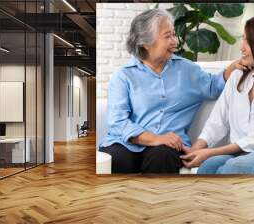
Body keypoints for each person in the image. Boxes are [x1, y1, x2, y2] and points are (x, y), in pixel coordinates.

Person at [99, 9, 242, 174]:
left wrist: (232, 68)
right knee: (117, 159)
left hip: (168, 146)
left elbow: (212, 86)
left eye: (174, 35)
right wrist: (155, 138)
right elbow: (118, 122)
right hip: (126, 142)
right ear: (145, 42)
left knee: (162, 156)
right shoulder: (124, 75)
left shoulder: (186, 69)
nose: (175, 41)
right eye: (167, 36)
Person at [180, 15, 254, 174]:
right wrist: (196, 149)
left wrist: (209, 153)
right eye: (243, 39)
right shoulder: (238, 77)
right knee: (208, 166)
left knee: (232, 168)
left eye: (248, 42)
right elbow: (218, 120)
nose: (241, 47)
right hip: (243, 153)